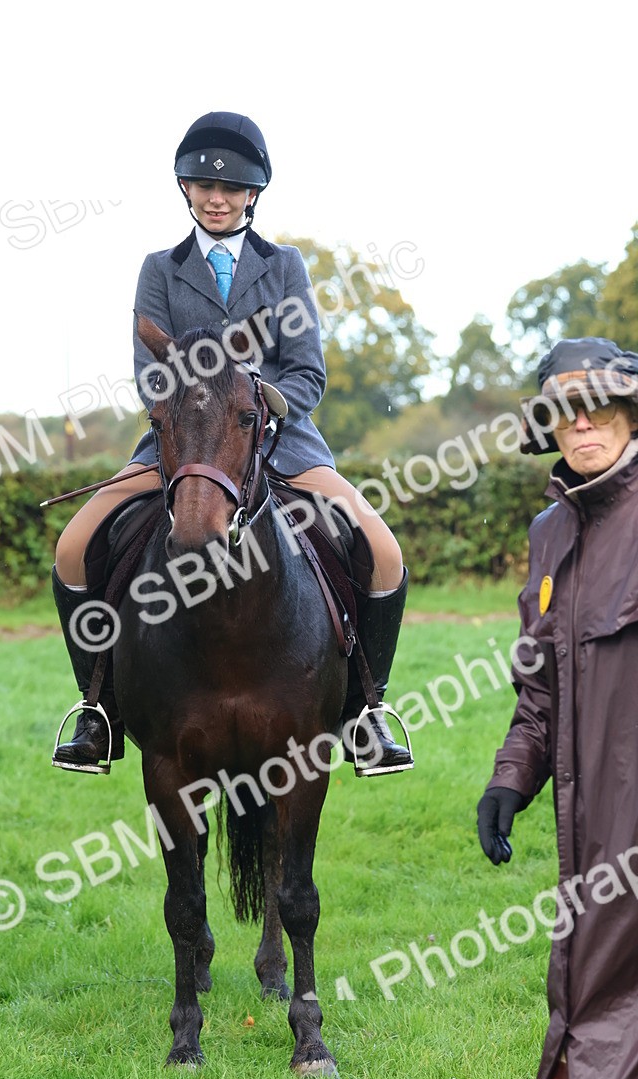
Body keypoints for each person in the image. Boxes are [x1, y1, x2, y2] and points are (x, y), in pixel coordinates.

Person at [52, 111, 413, 777]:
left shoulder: (285, 266)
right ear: (185, 190)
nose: (216, 198)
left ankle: (365, 711)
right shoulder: (159, 269)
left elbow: (307, 372)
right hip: (184, 445)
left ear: (253, 194)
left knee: (384, 554)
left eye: (231, 189)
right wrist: (196, 410)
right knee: (73, 547)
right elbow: (150, 376)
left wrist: (258, 406)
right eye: (203, 186)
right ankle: (98, 709)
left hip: (281, 441)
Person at [477, 337, 638, 1079]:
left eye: (600, 407)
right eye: (566, 414)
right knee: (590, 994)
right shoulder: (550, 533)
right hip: (593, 833)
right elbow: (538, 688)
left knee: (599, 999)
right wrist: (511, 778)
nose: (584, 425)